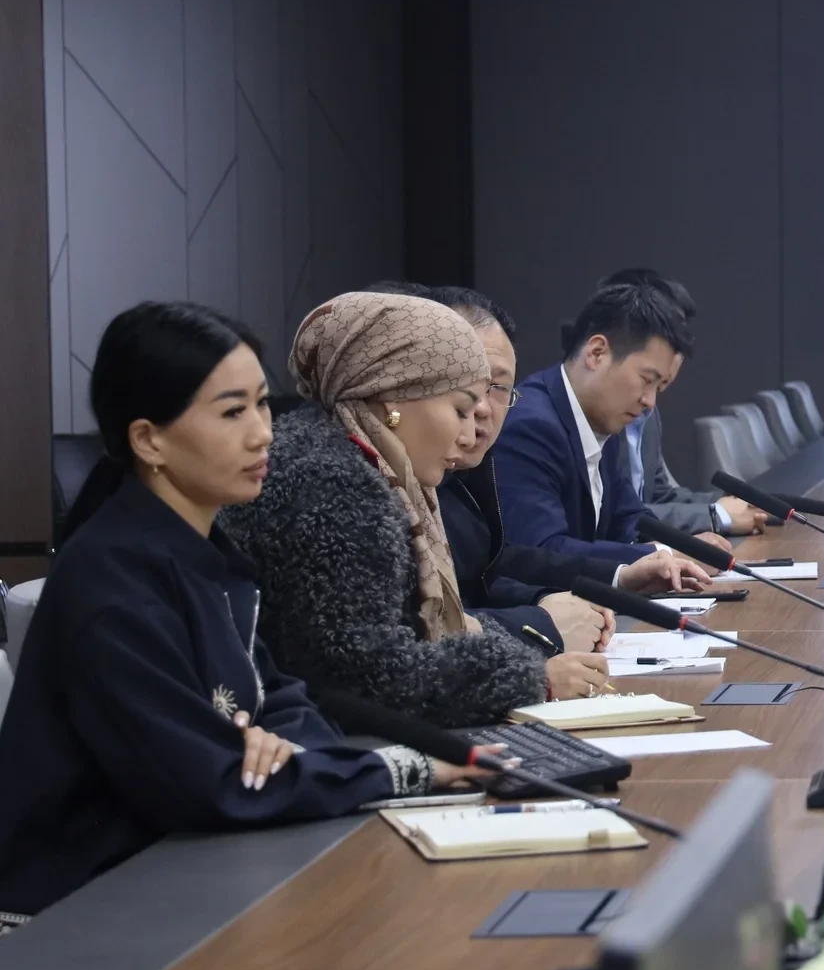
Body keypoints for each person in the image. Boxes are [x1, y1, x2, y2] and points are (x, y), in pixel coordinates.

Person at [0, 304, 493, 921]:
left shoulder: (205, 553)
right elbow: (208, 782)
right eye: (232, 412)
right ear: (148, 439)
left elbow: (280, 702)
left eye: (262, 404)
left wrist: (285, 749)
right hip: (78, 916)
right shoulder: (111, 582)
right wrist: (400, 771)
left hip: (187, 872)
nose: (263, 433)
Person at [225, 292, 614, 726]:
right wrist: (534, 678)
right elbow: (365, 678)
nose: (469, 433)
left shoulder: (352, 462)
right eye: (460, 409)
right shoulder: (335, 484)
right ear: (395, 395)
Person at [372, 283, 714, 655]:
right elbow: (409, 642)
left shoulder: (455, 476)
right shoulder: (368, 491)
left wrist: (612, 579)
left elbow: (490, 572)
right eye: (465, 387)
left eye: (497, 387)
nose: (480, 408)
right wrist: (541, 624)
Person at [495, 282, 731, 566]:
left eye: (658, 386)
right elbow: (542, 549)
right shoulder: (530, 426)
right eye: (646, 380)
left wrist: (684, 545)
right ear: (596, 353)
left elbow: (629, 518)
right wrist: (663, 554)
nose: (650, 401)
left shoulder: (600, 417)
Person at [588, 268, 765, 538]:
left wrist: (732, 504)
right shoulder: (596, 414)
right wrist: (716, 515)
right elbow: (610, 516)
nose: (650, 400)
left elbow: (658, 495)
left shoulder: (647, 410)